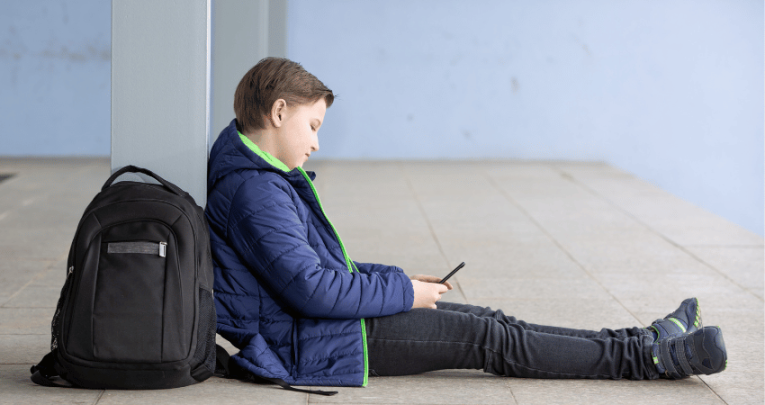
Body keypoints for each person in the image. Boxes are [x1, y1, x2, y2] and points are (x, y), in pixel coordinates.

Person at [204, 57, 727, 387]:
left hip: (328, 326)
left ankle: (641, 342)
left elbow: (315, 271)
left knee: (496, 324)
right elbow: (313, 292)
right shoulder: (255, 190)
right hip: (325, 340)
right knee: (493, 338)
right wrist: (404, 294)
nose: (317, 141)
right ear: (277, 113)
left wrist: (399, 282)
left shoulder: (261, 181)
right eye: (312, 125)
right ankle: (652, 358)